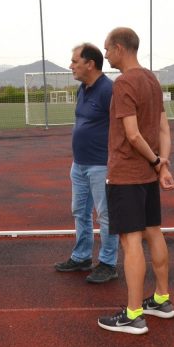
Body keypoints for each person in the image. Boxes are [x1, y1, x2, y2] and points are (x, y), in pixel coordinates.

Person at [97, 27, 174, 335]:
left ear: (119, 48)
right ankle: (161, 299)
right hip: (146, 174)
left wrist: (157, 162)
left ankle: (133, 315)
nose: (106, 55)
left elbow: (132, 135)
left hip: (127, 173)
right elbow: (164, 128)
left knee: (130, 241)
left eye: (107, 49)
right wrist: (162, 165)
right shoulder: (151, 80)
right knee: (153, 232)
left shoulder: (124, 83)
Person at [54, 43, 119, 284]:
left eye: (75, 61)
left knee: (106, 215)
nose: (71, 66)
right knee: (80, 211)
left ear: (90, 64)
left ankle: (108, 263)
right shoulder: (83, 89)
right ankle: (81, 257)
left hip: (101, 165)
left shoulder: (108, 90)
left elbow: (121, 127)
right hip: (79, 164)